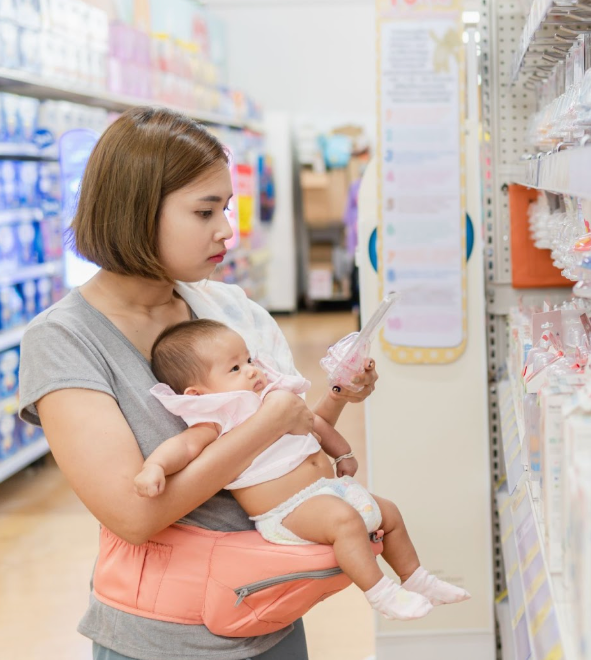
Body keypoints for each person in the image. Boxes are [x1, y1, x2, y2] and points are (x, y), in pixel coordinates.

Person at [17, 107, 379, 660]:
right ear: (134, 212)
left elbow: (290, 447)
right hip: (162, 637)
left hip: (267, 607)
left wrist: (334, 397)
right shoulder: (63, 340)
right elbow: (133, 515)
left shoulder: (225, 307)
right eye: (204, 211)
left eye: (226, 208)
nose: (226, 231)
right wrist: (264, 426)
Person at [135, 319, 470, 620]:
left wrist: (341, 454)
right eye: (234, 368)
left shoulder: (270, 397)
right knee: (344, 522)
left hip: (327, 492)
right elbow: (184, 446)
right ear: (198, 394)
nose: (252, 370)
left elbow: (315, 424)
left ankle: (417, 579)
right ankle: (381, 594)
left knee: (390, 513)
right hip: (286, 512)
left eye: (249, 360)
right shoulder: (216, 417)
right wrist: (155, 467)